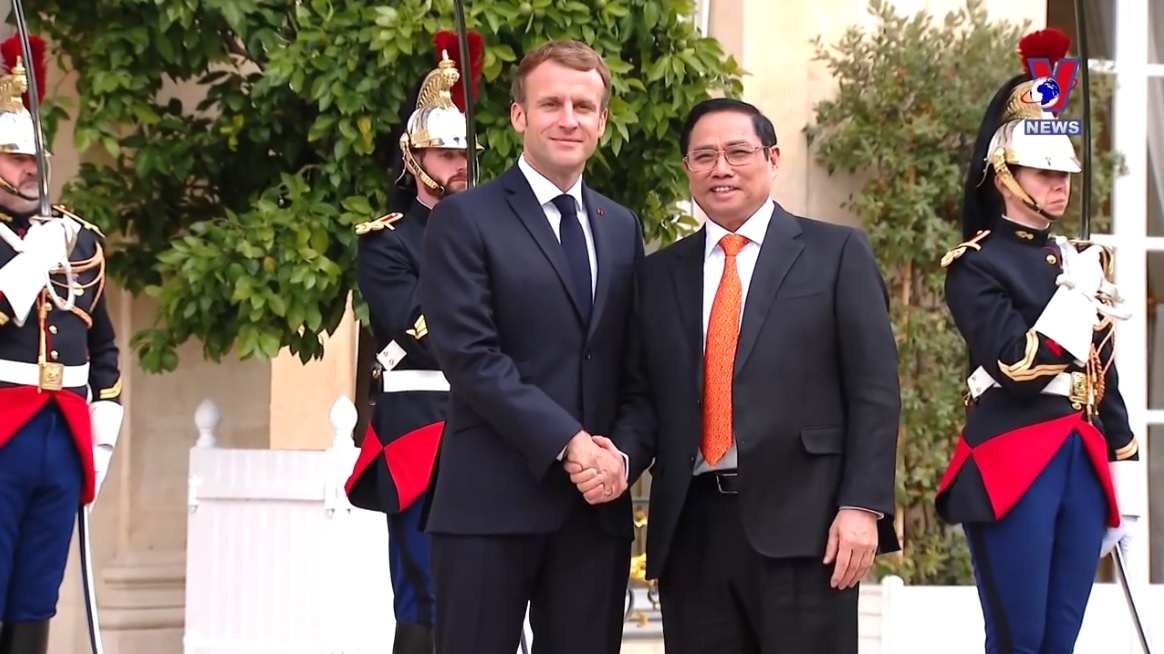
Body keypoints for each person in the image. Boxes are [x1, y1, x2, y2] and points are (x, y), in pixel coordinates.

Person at [581, 97, 902, 654]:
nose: (721, 168)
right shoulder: (658, 275)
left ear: (772, 158)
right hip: (693, 532)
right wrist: (620, 459)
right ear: (688, 168)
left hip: (808, 531)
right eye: (704, 156)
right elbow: (645, 398)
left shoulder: (835, 253)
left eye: (737, 152)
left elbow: (874, 391)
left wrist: (862, 506)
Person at [418, 39, 644, 654]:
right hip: (489, 507)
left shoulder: (621, 227)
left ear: (602, 120)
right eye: (551, 104)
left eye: (583, 106)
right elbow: (471, 357)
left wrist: (621, 460)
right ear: (519, 115)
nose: (568, 119)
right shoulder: (465, 219)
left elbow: (635, 368)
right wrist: (570, 442)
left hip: (593, 515)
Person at [933, 27, 1142, 654]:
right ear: (1004, 175)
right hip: (1013, 457)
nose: (1060, 184)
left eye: (1064, 171)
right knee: (1019, 640)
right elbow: (1016, 365)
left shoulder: (1078, 258)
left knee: (1060, 641)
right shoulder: (974, 265)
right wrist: (1078, 296)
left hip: (1081, 459)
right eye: (1044, 170)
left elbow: (1102, 373)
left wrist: (1124, 472)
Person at [343, 29, 483, 654]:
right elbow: (417, 329)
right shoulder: (387, 241)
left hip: (489, 427)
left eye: (464, 154)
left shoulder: (491, 232)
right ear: (414, 157)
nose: (458, 165)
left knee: (490, 590)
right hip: (422, 428)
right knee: (427, 587)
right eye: (444, 154)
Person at [0, 34, 123, 652]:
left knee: (36, 593)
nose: (31, 169)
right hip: (4, 430)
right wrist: (32, 259)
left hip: (64, 434)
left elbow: (105, 350)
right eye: (15, 158)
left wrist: (100, 437)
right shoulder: (45, 244)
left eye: (36, 158)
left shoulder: (78, 238)